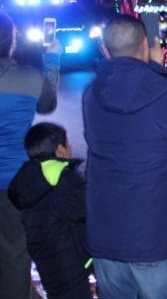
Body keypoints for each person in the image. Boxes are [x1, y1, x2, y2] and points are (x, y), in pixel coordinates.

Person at [82, 14, 167, 298]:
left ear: (105, 50)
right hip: (154, 234)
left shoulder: (91, 94)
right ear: (145, 45)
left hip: (105, 233)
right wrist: (159, 69)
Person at [0, 10, 61, 299]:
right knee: (14, 254)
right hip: (14, 184)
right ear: (11, 41)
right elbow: (48, 105)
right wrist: (52, 60)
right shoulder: (29, 79)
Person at [7, 122, 92, 299]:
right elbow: (88, 209)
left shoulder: (27, 179)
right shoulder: (63, 179)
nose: (70, 148)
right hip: (71, 266)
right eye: (67, 144)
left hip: (49, 267)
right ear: (60, 149)